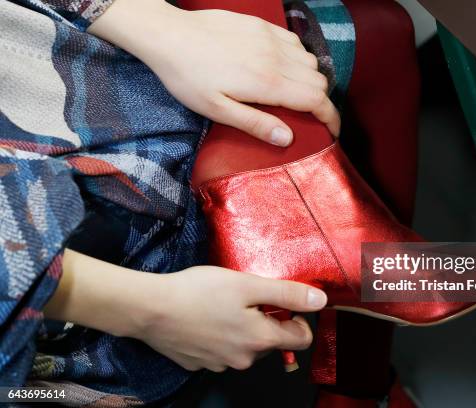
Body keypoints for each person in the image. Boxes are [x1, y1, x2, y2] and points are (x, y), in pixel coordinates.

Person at [0, 0, 422, 405]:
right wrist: (145, 310)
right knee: (374, 36)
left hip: (55, 53)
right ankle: (290, 210)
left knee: (377, 32)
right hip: (73, 261)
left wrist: (151, 23)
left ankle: (351, 378)